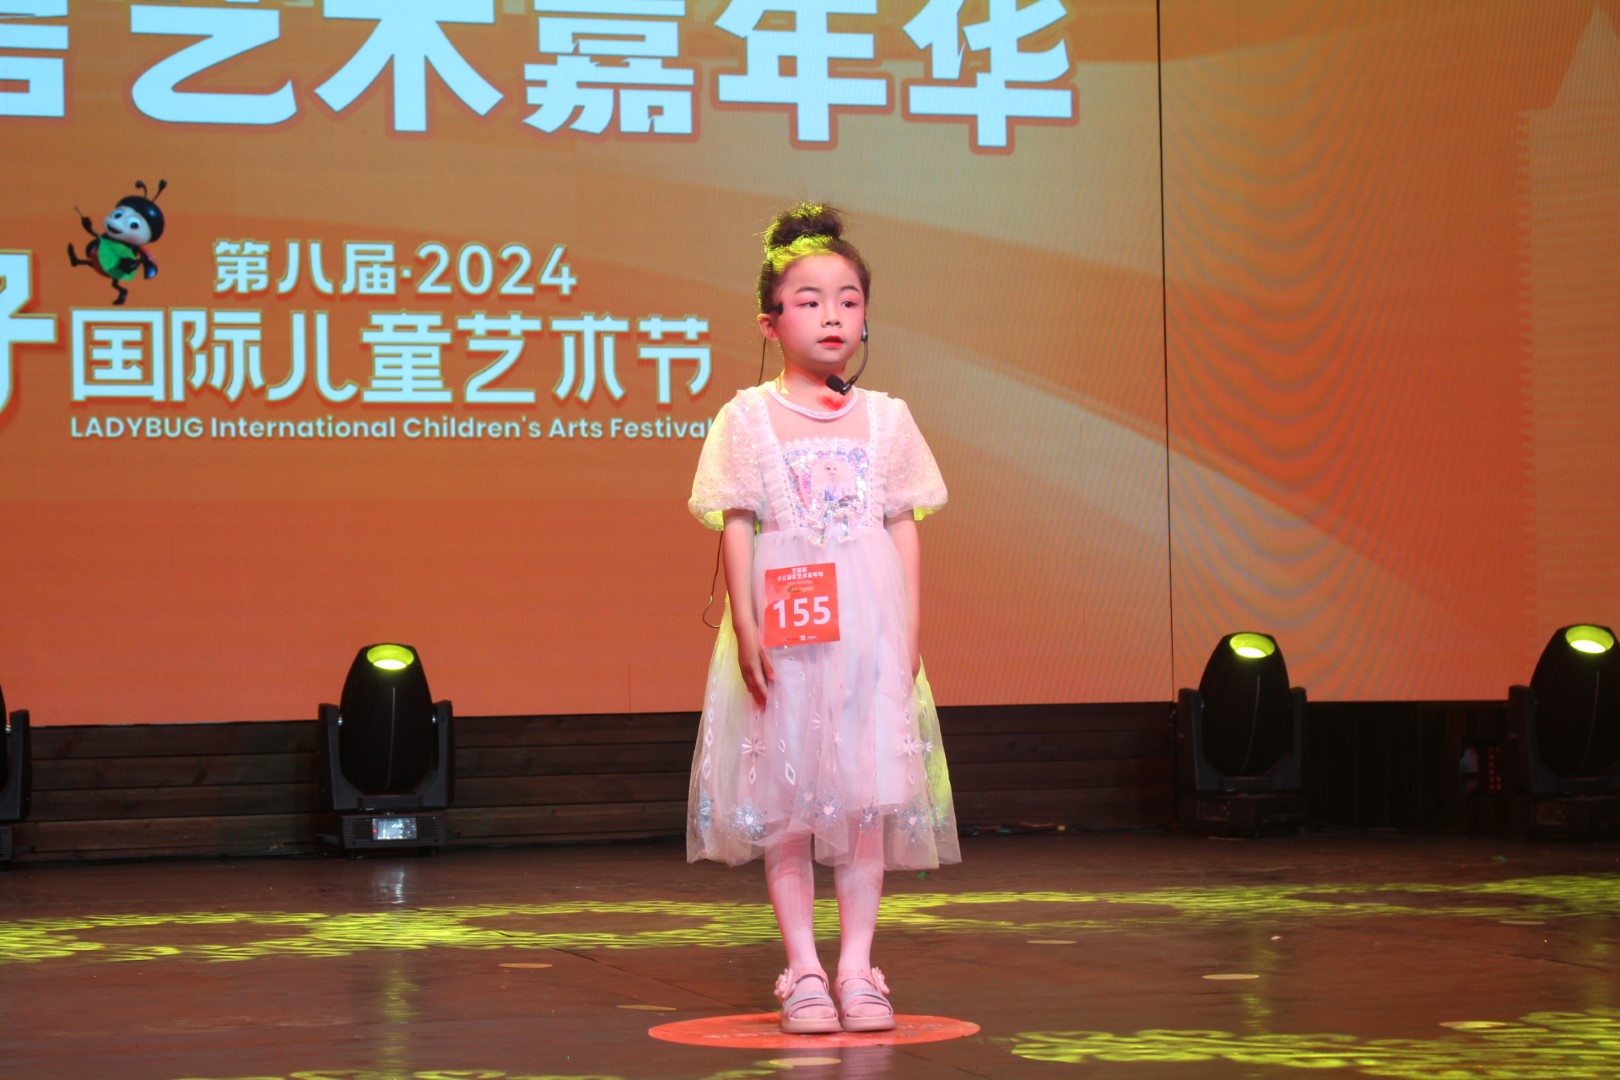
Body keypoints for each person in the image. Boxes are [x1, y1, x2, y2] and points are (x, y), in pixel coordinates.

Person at [686, 203, 959, 1034]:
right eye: (809, 301)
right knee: (789, 800)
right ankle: (803, 968)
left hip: (868, 633)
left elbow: (903, 525)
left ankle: (858, 969)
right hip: (787, 631)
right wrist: (747, 626)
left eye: (847, 299)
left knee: (864, 799)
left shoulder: (887, 418)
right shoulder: (745, 417)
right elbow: (736, 524)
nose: (832, 315)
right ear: (770, 323)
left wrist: (909, 631)